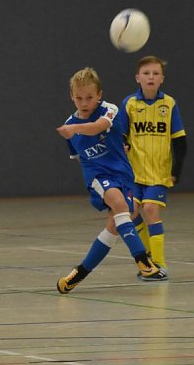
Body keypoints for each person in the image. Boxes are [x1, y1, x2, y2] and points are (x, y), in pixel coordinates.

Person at [55, 67, 163, 293]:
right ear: (71, 97)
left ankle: (79, 273)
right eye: (78, 98)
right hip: (98, 176)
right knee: (121, 206)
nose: (84, 102)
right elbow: (78, 157)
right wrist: (95, 173)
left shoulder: (109, 109)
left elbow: (100, 127)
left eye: (89, 97)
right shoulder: (70, 124)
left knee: (117, 223)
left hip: (122, 173)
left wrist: (76, 129)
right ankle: (143, 261)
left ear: (99, 95)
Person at [119, 55, 187, 280]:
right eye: (146, 73)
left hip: (158, 172)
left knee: (150, 209)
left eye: (155, 73)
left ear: (162, 79)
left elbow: (180, 141)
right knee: (131, 213)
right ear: (137, 78)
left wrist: (176, 171)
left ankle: (159, 263)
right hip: (134, 172)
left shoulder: (169, 104)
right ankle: (147, 257)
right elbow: (121, 136)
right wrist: (124, 146)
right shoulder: (129, 104)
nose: (151, 77)